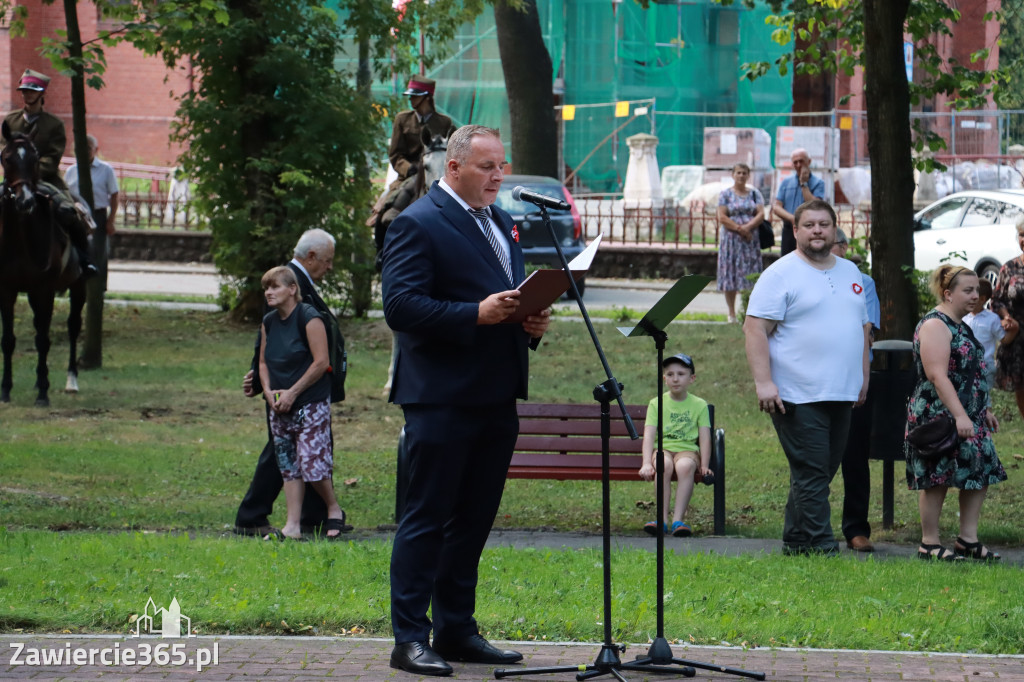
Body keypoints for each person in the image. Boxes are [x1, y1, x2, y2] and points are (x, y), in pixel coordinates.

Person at [381, 124, 551, 676]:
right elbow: (402, 308)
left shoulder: (502, 222)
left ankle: (456, 629)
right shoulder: (418, 223)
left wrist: (531, 322)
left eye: (501, 166)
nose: (498, 176)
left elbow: (506, 298)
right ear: (454, 168)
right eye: (487, 167)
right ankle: (410, 638)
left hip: (497, 393)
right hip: (440, 397)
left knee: (473, 522)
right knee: (426, 519)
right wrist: (473, 314)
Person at [743, 199, 870, 556]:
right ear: (795, 230)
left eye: (824, 224)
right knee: (813, 472)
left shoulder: (850, 272)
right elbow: (755, 330)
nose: (818, 230)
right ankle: (822, 546)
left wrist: (863, 376)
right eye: (810, 224)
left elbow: (862, 328)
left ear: (834, 229)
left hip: (842, 391)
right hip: (796, 393)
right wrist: (764, 383)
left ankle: (797, 540)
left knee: (819, 472)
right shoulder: (780, 274)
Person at [235, 229, 350, 538]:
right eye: (327, 261)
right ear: (310, 257)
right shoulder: (285, 283)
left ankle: (311, 516)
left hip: (301, 388)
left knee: (304, 452)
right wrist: (260, 382)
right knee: (284, 454)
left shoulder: (298, 284)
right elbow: (269, 336)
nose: (329, 268)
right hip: (287, 388)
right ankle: (254, 515)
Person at [906, 265, 1007, 561]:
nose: (976, 296)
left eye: (977, 290)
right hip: (940, 414)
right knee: (937, 476)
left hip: (968, 414)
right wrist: (960, 415)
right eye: (968, 290)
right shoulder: (935, 325)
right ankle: (929, 543)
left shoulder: (961, 325)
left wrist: (982, 410)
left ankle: (968, 540)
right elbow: (938, 376)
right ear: (948, 294)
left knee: (980, 470)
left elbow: (968, 372)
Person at [257, 266, 348, 541]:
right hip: (279, 403)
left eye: (275, 287)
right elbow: (262, 362)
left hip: (309, 401)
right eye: (266, 288)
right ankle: (292, 525)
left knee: (312, 462)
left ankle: (334, 509)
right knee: (288, 464)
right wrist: (269, 391)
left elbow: (322, 363)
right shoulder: (269, 322)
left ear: (292, 289)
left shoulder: (309, 318)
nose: (269, 293)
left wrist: (293, 393)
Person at [3, 69, 96, 276]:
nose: (27, 94)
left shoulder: (54, 124)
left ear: (41, 94)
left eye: (32, 91)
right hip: (15, 180)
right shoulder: (9, 121)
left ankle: (84, 259)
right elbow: (4, 150)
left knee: (69, 212)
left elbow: (53, 158)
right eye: (25, 90)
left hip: (46, 180)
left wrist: (31, 172)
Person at [831, 229, 880, 553]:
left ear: (845, 248)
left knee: (855, 456)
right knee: (813, 458)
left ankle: (856, 529)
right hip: (812, 378)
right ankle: (810, 527)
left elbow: (868, 330)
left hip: (854, 377)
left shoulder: (863, 281)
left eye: (835, 244)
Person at [638, 353, 712, 538]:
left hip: (687, 451)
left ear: (691, 378)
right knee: (664, 464)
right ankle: (660, 520)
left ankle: (678, 521)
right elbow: (648, 436)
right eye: (670, 374)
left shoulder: (699, 405)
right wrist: (647, 463)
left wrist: (704, 466)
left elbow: (705, 438)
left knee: (685, 466)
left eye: (681, 374)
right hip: (663, 449)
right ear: (664, 378)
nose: (675, 378)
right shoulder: (656, 404)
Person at [716, 162, 765, 323]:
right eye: (738, 173)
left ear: (748, 175)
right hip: (731, 241)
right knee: (730, 274)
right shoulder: (725, 195)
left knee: (749, 274)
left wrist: (748, 227)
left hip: (750, 241)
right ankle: (731, 313)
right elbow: (722, 217)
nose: (741, 176)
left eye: (744, 173)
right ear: (733, 175)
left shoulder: (754, 194)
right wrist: (739, 229)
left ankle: (749, 311)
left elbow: (760, 214)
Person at [388, 76, 454, 185]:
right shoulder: (402, 119)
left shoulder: (444, 122)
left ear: (427, 97)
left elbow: (451, 153)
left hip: (437, 176)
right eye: (410, 96)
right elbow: (395, 154)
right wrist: (407, 168)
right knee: (393, 201)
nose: (410, 99)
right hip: (409, 177)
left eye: (415, 96)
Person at [990, 216, 1024, 419]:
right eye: (1022, 235)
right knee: (1022, 388)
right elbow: (997, 299)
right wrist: (1006, 316)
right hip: (1018, 337)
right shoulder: (1009, 268)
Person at [773, 148, 826, 256]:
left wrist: (804, 184)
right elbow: (777, 207)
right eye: (795, 162)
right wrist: (793, 219)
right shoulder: (786, 182)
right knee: (787, 261)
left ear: (809, 162)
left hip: (809, 230)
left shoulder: (818, 183)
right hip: (789, 229)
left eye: (801, 161)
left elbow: (815, 206)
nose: (798, 165)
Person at [64, 134, 120, 238]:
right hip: (76, 216)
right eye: (80, 148)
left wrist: (111, 220)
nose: (84, 151)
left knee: (97, 250)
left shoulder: (106, 170)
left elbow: (114, 195)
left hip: (98, 216)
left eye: (88, 148)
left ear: (96, 149)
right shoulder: (71, 171)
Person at [964, 278, 1006, 401]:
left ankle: (987, 418)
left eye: (971, 294)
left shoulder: (992, 319)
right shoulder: (963, 317)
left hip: (985, 366)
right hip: (965, 365)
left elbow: (1003, 338)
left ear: (982, 299)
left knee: (984, 401)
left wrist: (1014, 329)